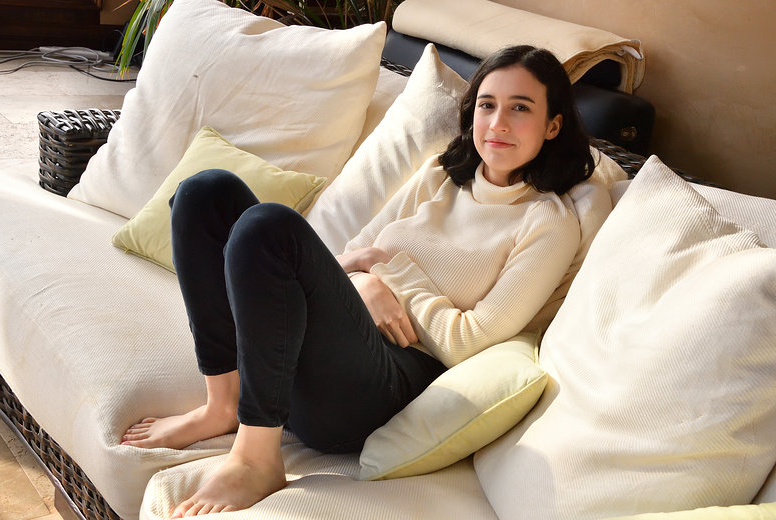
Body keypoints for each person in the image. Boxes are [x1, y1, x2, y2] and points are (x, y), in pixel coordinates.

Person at [121, 44, 595, 517]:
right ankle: (223, 404)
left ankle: (256, 458)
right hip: (337, 339)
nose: (498, 123)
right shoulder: (442, 175)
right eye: (487, 105)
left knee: (268, 227)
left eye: (520, 108)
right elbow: (352, 256)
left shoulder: (548, 223)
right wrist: (367, 283)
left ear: (553, 125)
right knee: (206, 192)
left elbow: (468, 341)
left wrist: (387, 278)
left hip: (387, 384)